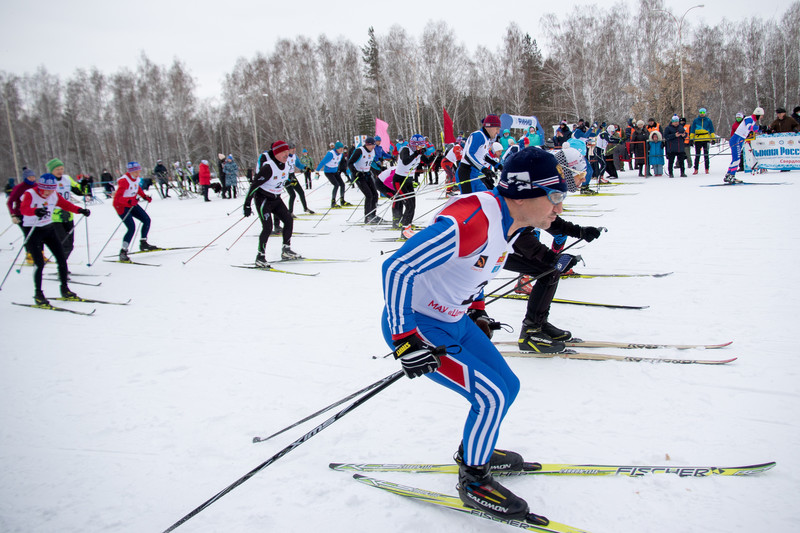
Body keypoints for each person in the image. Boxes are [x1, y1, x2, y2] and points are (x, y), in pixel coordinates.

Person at [381, 147, 578, 525]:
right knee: (491, 395)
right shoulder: (471, 220)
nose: (560, 207)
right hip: (418, 325)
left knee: (508, 386)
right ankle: (473, 480)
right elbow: (397, 268)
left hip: (454, 319)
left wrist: (477, 309)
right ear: (523, 193)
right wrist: (405, 339)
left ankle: (475, 448)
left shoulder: (512, 223)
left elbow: (475, 269)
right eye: (555, 196)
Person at [20, 173, 89, 305]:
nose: (48, 192)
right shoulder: (30, 194)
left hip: (48, 229)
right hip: (33, 230)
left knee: (61, 258)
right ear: (40, 187)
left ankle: (65, 289)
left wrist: (80, 210)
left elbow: (65, 204)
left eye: (51, 189)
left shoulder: (53, 194)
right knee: (39, 263)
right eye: (45, 189)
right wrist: (35, 211)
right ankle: (38, 294)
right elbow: (24, 209)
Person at [243, 140, 301, 267]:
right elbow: (254, 185)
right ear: (276, 153)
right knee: (267, 227)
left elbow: (282, 178)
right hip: (263, 199)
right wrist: (247, 204)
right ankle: (260, 257)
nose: (286, 154)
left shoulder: (286, 165)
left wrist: (290, 181)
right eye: (283, 152)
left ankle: (286, 250)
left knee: (288, 220)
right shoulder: (268, 167)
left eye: (287, 151)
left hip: (276, 199)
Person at [113, 162, 157, 261]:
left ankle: (143, 243)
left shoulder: (136, 179)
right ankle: (123, 251)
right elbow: (117, 198)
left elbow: (137, 189)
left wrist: (145, 196)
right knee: (131, 228)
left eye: (139, 171)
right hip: (121, 206)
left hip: (131, 204)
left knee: (146, 220)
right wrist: (128, 201)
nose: (138, 173)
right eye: (136, 172)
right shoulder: (124, 181)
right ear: (130, 171)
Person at [46, 158, 87, 262]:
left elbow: (80, 191)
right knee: (65, 244)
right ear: (51, 170)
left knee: (70, 245)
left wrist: (84, 185)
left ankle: (62, 264)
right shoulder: (49, 181)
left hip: (68, 215)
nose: (60, 171)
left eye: (61, 168)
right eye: (57, 169)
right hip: (55, 217)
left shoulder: (67, 179)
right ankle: (62, 266)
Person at [391, 134, 433, 233]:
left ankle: (408, 225)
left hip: (409, 181)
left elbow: (427, 161)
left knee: (413, 205)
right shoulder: (405, 149)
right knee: (408, 205)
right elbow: (405, 161)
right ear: (414, 145)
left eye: (422, 145)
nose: (421, 147)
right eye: (419, 145)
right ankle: (404, 229)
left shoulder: (418, 152)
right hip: (400, 181)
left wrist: (435, 155)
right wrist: (417, 153)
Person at [457, 114, 502, 194]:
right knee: (471, 200)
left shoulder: (486, 138)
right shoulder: (478, 135)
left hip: (475, 173)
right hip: (466, 173)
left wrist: (499, 166)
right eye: (497, 129)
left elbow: (485, 156)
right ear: (489, 127)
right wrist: (483, 169)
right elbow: (468, 155)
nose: (498, 132)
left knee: (486, 196)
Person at [726, 107, 763, 183]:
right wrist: (760, 127)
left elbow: (752, 129)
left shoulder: (752, 120)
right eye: (761, 115)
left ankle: (729, 175)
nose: (762, 117)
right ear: (758, 114)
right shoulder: (749, 119)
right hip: (736, 140)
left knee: (735, 159)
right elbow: (749, 127)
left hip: (739, 140)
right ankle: (731, 176)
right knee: (736, 159)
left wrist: (764, 129)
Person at [348, 137, 380, 224]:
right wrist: (355, 172)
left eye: (374, 145)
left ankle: (373, 215)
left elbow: (371, 162)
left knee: (375, 194)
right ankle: (367, 217)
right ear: (367, 145)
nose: (373, 147)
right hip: (359, 175)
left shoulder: (373, 151)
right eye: (372, 145)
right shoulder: (360, 151)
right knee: (369, 195)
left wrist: (380, 168)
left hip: (367, 174)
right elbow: (350, 163)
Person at [315, 141, 347, 208]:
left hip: (335, 172)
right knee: (336, 185)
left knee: (342, 184)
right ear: (337, 148)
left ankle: (342, 200)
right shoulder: (331, 154)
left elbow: (339, 163)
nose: (342, 150)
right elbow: (322, 162)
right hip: (328, 172)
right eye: (340, 148)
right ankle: (333, 202)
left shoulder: (341, 154)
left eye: (342, 148)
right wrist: (317, 171)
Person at [284, 145, 314, 215]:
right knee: (292, 195)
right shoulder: (285, 156)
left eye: (294, 149)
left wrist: (306, 167)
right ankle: (290, 212)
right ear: (288, 150)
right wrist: (289, 179)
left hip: (292, 175)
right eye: (292, 149)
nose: (294, 150)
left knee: (301, 192)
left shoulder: (295, 156)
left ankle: (305, 208)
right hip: (285, 177)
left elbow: (298, 164)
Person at [689, 108, 716, 175]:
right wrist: (691, 139)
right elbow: (692, 130)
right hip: (698, 139)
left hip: (706, 139)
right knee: (697, 155)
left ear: (705, 113)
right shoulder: (696, 120)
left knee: (706, 155)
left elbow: (712, 130)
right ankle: (696, 169)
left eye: (703, 112)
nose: (702, 114)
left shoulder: (708, 120)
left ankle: (707, 169)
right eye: (701, 112)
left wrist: (713, 139)